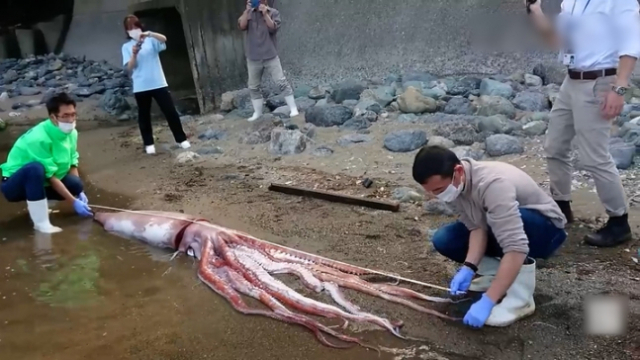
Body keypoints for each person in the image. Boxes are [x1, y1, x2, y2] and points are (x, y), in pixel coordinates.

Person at [412, 145, 568, 328]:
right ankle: (498, 275)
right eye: (431, 191)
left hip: (545, 230)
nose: (436, 195)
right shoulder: (456, 186)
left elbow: (516, 246)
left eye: (439, 189)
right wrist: (469, 268)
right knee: (445, 239)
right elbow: (477, 228)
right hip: (501, 225)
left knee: (514, 229)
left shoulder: (493, 184)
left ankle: (521, 299)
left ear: (458, 171)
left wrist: (488, 300)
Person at [526, 0, 640, 247]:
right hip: (572, 80)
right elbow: (557, 41)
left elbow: (631, 42)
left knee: (595, 156)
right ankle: (560, 207)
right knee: (555, 146)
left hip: (600, 81)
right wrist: (536, 11)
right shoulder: (572, 1)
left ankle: (619, 222)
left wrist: (619, 88)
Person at [0, 92, 93, 233]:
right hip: (14, 185)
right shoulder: (38, 138)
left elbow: (73, 161)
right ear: (53, 117)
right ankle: (41, 223)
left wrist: (80, 192)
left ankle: (39, 200)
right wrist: (73, 202)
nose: (71, 120)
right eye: (65, 116)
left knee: (75, 185)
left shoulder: (71, 133)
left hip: (44, 179)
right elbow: (50, 176)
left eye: (73, 114)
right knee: (35, 169)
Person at [121, 14, 191, 155]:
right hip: (141, 86)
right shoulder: (127, 46)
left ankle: (181, 139)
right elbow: (129, 67)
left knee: (170, 112)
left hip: (158, 83)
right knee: (144, 115)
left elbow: (164, 39)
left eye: (136, 27)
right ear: (126, 31)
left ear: (140, 27)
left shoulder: (151, 41)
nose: (134, 30)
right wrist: (134, 54)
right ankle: (149, 144)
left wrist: (150, 34)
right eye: (130, 28)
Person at [238, 0, 299, 122]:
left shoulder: (273, 12)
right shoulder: (248, 13)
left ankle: (293, 108)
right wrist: (247, 11)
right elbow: (242, 26)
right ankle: (257, 113)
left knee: (281, 82)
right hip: (253, 57)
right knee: (253, 87)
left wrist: (265, 14)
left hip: (270, 55)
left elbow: (273, 28)